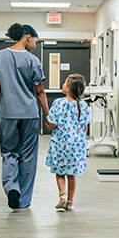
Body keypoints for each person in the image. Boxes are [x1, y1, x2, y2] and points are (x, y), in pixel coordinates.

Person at [0, 23, 52, 209]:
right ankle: (23, 200)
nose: (35, 46)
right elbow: (40, 92)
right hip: (30, 115)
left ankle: (11, 188)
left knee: (8, 153)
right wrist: (48, 115)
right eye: (36, 41)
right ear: (28, 36)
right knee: (28, 156)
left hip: (7, 114)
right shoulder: (33, 61)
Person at [45, 74, 91, 211]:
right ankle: (70, 203)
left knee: (59, 171)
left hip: (60, 143)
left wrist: (49, 126)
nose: (63, 84)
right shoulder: (83, 105)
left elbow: (52, 124)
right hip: (76, 145)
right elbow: (85, 128)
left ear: (69, 88)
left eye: (65, 83)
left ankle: (62, 195)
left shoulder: (58, 103)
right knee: (72, 174)